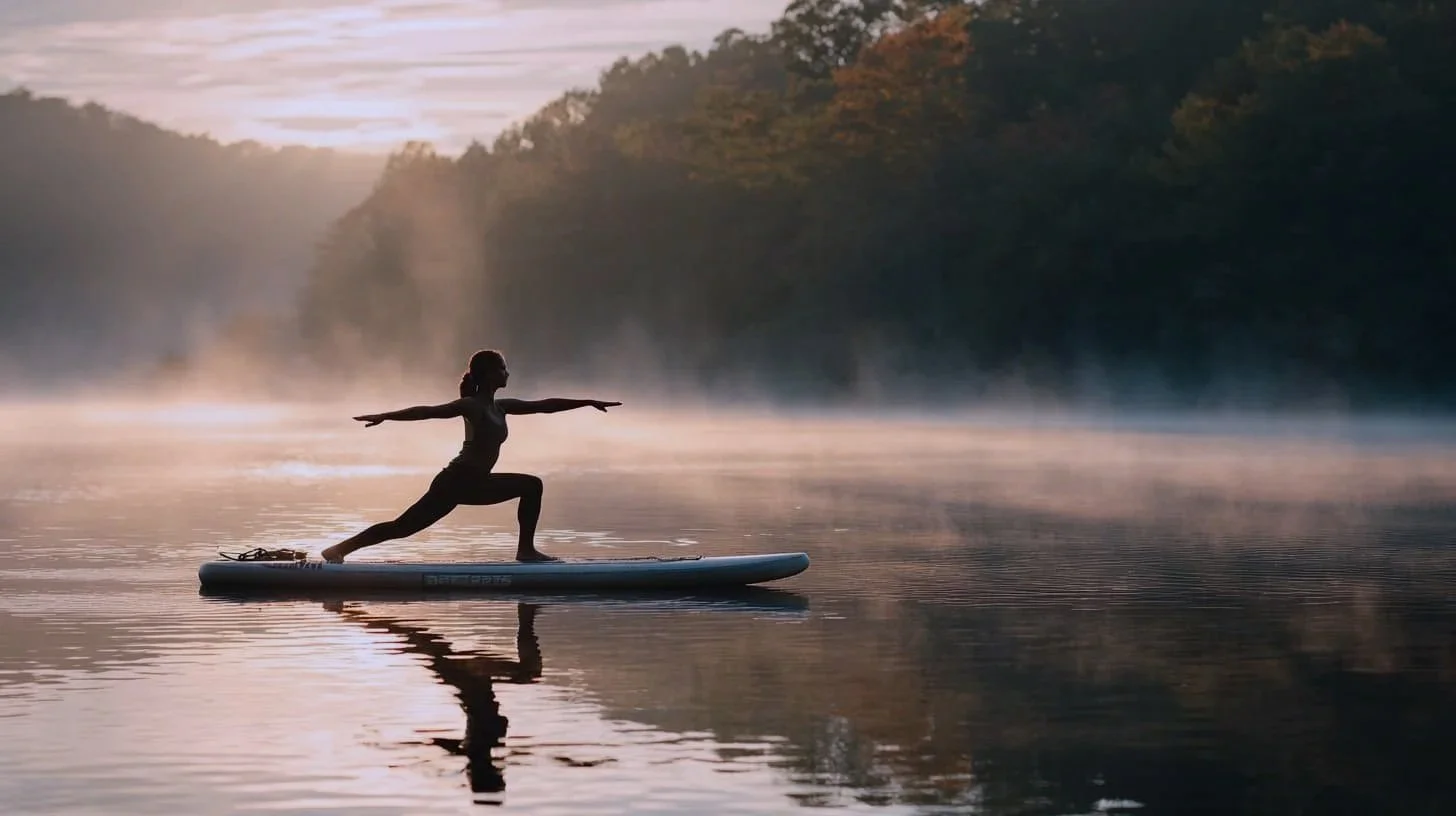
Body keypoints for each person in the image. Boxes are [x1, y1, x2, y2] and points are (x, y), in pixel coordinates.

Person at [320, 349, 620, 564]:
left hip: (474, 481)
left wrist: (587, 402)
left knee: (531, 485)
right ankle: (338, 550)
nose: (507, 372)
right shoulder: (472, 405)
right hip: (456, 481)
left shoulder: (500, 406)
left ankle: (526, 551)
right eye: (502, 368)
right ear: (488, 374)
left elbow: (544, 405)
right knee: (401, 528)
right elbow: (428, 412)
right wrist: (386, 416)